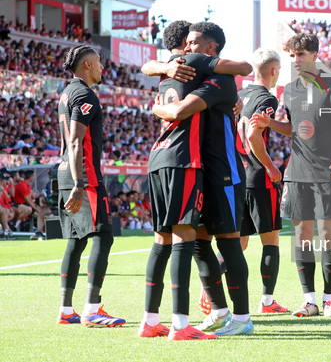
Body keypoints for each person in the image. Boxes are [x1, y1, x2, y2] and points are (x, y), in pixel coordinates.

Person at [139, 20, 251, 340]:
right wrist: (164, 66)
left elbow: (179, 111)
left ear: (211, 49)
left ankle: (243, 318)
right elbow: (151, 66)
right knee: (200, 243)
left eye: (193, 43)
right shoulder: (192, 72)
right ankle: (219, 312)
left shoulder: (221, 81)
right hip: (198, 170)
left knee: (228, 244)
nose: (186, 50)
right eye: (185, 43)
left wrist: (159, 109)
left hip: (226, 173)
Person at [251, 33, 331, 318]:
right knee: (302, 235)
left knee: (327, 234)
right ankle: (309, 300)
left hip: (327, 170)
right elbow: (293, 128)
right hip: (296, 171)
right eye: (292, 56)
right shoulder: (290, 90)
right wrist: (270, 122)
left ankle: (330, 299)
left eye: (301, 55)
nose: (296, 60)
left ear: (314, 55)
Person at [56, 45, 126, 327]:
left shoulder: (66, 93)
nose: (102, 67)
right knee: (103, 236)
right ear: (86, 64)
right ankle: (92, 309)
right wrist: (79, 183)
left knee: (76, 241)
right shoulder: (85, 94)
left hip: (64, 172)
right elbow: (75, 140)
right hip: (83, 177)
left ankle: (65, 310)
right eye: (98, 62)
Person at [236, 48, 287, 313]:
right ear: (273, 70)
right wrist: (270, 167)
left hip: (236, 177)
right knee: (270, 239)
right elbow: (254, 135)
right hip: (258, 177)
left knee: (238, 242)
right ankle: (267, 302)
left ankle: (208, 290)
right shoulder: (267, 98)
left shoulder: (239, 95)